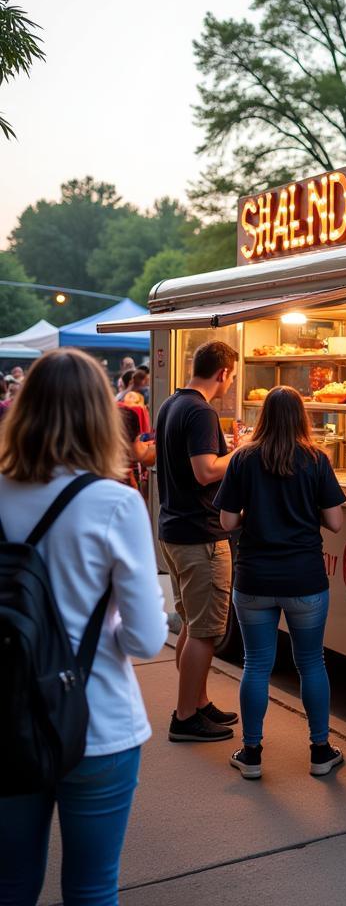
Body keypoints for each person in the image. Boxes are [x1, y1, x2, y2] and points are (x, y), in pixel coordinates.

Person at [0, 348, 167, 903]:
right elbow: (145, 637)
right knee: (93, 889)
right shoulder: (115, 504)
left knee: (11, 884)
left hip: (8, 714)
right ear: (101, 416)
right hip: (97, 722)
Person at [214, 386, 346, 779]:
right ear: (302, 417)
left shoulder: (243, 459)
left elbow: (226, 522)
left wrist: (255, 515)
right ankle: (321, 751)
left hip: (254, 577)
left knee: (256, 664)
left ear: (264, 417)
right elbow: (336, 521)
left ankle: (251, 754)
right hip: (304, 579)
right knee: (311, 663)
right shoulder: (316, 460)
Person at [156, 339, 244, 742]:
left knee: (191, 624)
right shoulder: (202, 411)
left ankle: (198, 701)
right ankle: (186, 715)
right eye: (232, 376)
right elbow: (206, 472)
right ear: (223, 372)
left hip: (174, 530)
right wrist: (241, 454)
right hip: (200, 536)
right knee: (206, 630)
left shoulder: (171, 404)